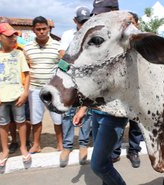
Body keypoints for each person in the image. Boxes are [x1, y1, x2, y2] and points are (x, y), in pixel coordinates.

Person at [73, 0, 129, 184]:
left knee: (98, 165)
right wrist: (83, 108)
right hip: (97, 111)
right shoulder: (97, 42)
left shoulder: (126, 40)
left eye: (102, 13)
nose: (97, 17)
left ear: (115, 12)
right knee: (103, 161)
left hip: (114, 112)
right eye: (96, 14)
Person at [0, 23, 31, 173]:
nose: (13, 38)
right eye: (9, 36)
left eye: (14, 35)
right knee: (3, 125)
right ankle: (5, 150)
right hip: (0, 98)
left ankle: (23, 147)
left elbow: (27, 74)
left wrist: (25, 93)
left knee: (21, 122)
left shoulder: (19, 54)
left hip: (17, 96)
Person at [24, 16, 63, 154]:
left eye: (44, 29)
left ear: (48, 29)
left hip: (53, 90)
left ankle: (60, 144)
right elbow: (26, 67)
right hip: (34, 89)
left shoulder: (58, 46)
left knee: (57, 118)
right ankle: (36, 145)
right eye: (38, 29)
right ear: (33, 30)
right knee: (36, 119)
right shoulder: (27, 48)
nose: (41, 32)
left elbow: (63, 66)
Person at [59, 6, 92, 168]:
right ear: (75, 21)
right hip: (70, 81)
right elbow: (62, 57)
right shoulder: (67, 35)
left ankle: (84, 145)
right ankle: (67, 146)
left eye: (87, 21)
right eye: (81, 22)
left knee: (86, 112)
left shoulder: (93, 34)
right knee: (68, 113)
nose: (84, 24)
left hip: (87, 81)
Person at [111, 12, 143, 169]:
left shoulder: (144, 41)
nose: (129, 25)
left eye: (132, 22)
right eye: (126, 22)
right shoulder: (117, 42)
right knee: (118, 123)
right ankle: (115, 152)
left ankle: (134, 151)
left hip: (138, 90)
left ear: (137, 24)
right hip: (121, 90)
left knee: (136, 125)